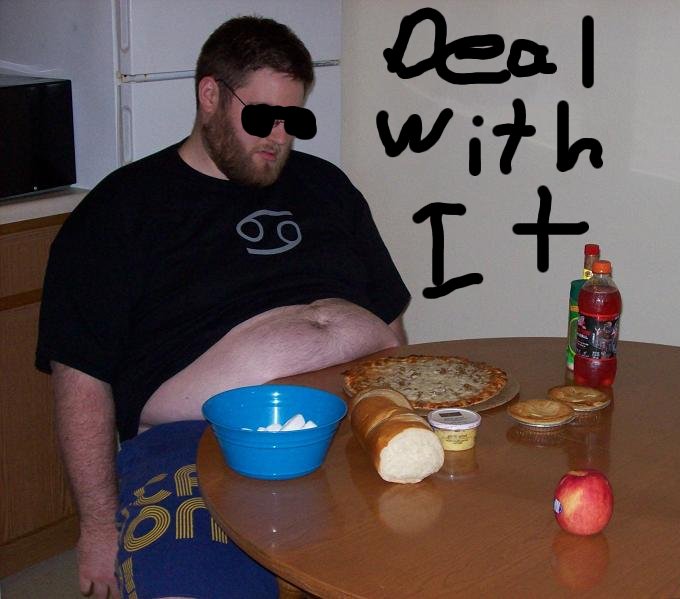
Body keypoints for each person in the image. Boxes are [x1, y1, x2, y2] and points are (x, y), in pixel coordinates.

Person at [36, 16, 410, 599]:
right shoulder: (120, 211)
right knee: (190, 586)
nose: (279, 137)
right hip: (198, 443)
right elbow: (81, 381)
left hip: (353, 424)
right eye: (262, 117)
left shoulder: (327, 187)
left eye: (293, 120)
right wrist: (98, 527)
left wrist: (400, 413)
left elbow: (390, 322)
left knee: (454, 551)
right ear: (209, 95)